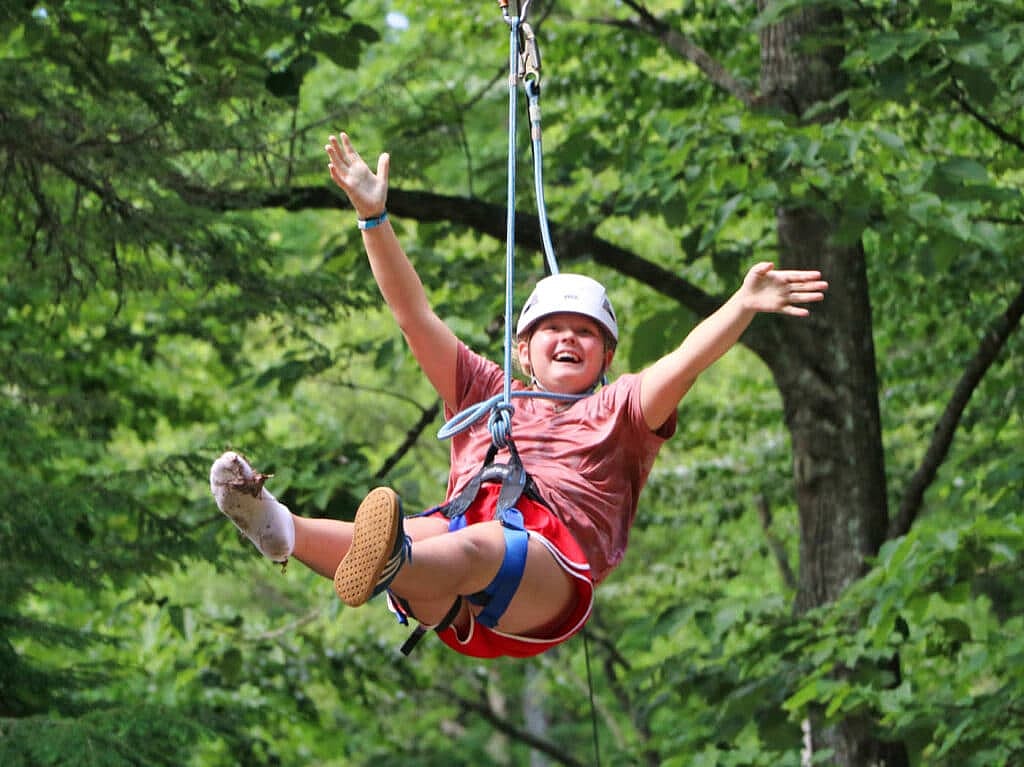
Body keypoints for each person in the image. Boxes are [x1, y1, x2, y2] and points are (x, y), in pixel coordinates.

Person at [209, 132, 828, 659]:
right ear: (522, 350)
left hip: (548, 573)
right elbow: (414, 316)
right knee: (429, 535)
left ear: (606, 358)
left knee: (459, 544)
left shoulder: (622, 410)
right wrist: (373, 219)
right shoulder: (485, 390)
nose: (568, 338)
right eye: (552, 330)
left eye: (586, 334)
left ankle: (394, 564)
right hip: (454, 570)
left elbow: (686, 362)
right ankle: (279, 529)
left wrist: (741, 306)